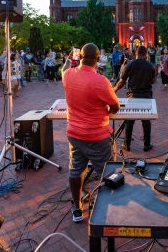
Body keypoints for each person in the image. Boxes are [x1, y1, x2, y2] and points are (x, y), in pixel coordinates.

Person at [61, 43, 120, 223]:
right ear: (98, 60)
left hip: (74, 133)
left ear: (79, 57)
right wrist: (104, 114)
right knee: (109, 170)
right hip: (97, 136)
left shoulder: (68, 75)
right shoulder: (100, 81)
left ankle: (77, 208)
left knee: (76, 170)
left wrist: (69, 59)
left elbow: (64, 68)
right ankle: (109, 207)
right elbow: (115, 106)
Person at [113, 46, 155, 152]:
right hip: (146, 96)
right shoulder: (150, 66)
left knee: (129, 121)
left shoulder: (129, 65)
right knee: (146, 122)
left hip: (132, 96)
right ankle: (146, 145)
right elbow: (153, 81)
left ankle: (127, 145)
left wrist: (114, 90)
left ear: (136, 53)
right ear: (146, 54)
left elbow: (122, 82)